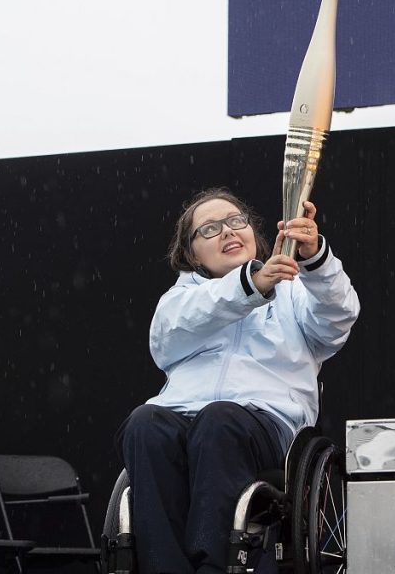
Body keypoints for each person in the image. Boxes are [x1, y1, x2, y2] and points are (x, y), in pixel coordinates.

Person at [115, 187, 359, 574]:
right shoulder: (179, 301)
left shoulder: (294, 292)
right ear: (192, 253)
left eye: (235, 221)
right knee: (145, 423)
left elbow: (337, 318)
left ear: (252, 232)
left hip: (263, 424)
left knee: (219, 421)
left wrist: (314, 259)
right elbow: (169, 335)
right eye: (210, 229)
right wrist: (252, 285)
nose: (228, 232)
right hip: (181, 418)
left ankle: (214, 566)